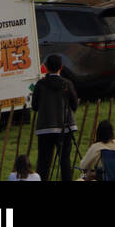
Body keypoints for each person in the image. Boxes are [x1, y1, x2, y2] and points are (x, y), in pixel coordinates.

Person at [32, 54, 78, 183]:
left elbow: (35, 106)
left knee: (44, 162)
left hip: (45, 128)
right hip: (65, 127)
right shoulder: (67, 84)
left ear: (46, 67)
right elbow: (74, 104)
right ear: (61, 67)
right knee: (65, 161)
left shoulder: (40, 85)